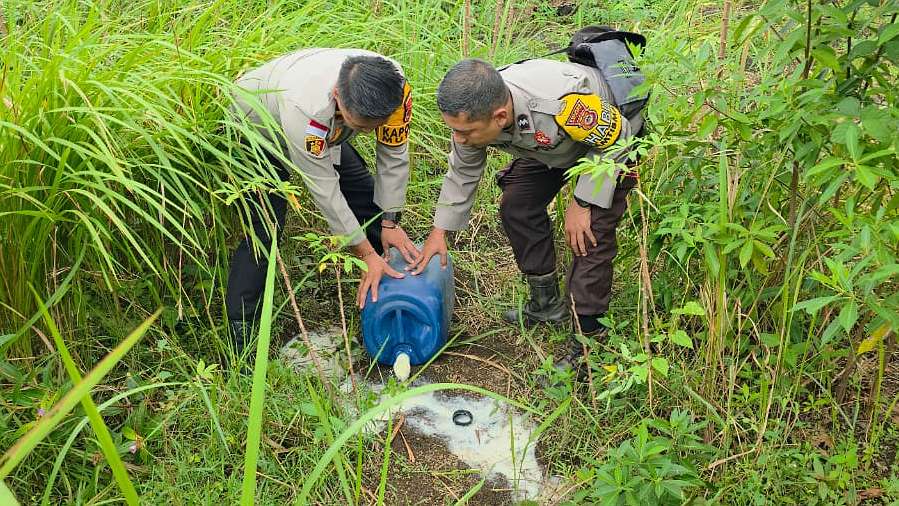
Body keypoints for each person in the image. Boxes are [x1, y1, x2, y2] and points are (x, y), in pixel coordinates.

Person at [410, 57, 642, 374]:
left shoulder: (562, 105)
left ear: (500, 116)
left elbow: (619, 138)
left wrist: (583, 201)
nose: (459, 139)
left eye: (466, 132)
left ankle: (589, 346)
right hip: (555, 145)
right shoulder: (477, 112)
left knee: (587, 239)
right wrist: (440, 233)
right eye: (455, 130)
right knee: (517, 205)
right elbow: (462, 172)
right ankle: (547, 305)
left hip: (610, 144)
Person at [226, 48, 420, 360]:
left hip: (330, 126)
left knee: (366, 201)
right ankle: (242, 339)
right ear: (337, 97)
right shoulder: (306, 109)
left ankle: (391, 297)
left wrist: (390, 222)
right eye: (363, 125)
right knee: (265, 229)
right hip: (257, 125)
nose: (371, 132)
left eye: (375, 124)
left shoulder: (393, 87)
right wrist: (364, 253)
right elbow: (325, 190)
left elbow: (393, 154)